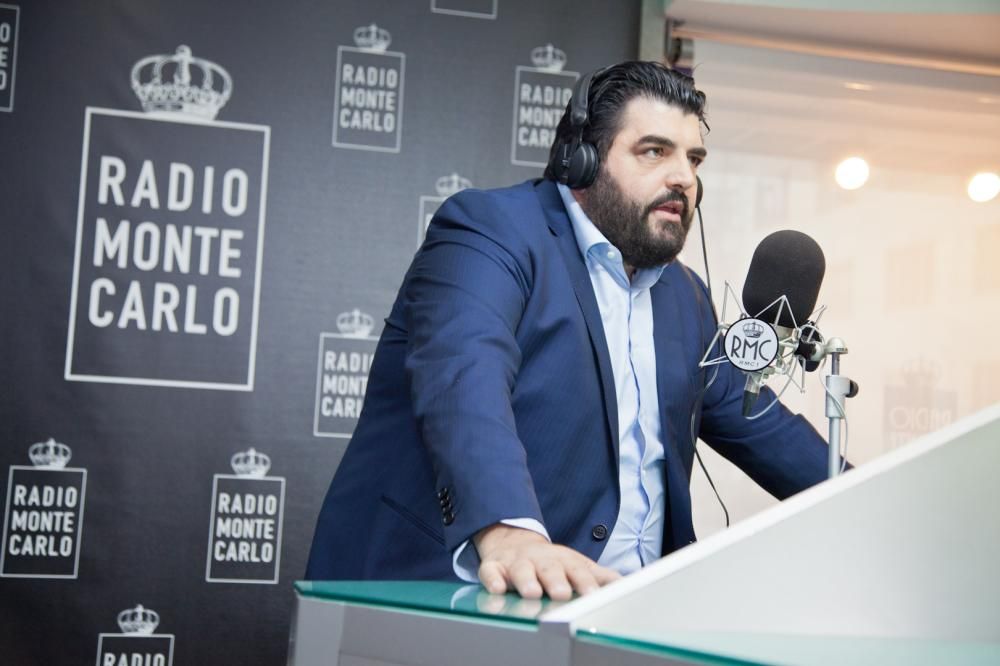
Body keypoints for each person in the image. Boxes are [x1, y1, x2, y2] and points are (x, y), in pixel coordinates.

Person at [306, 61, 830, 600]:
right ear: (581, 159)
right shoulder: (492, 232)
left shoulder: (686, 297)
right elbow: (464, 377)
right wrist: (509, 532)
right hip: (452, 598)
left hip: (622, 614)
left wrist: (870, 498)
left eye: (693, 159)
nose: (684, 178)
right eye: (654, 151)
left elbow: (762, 427)